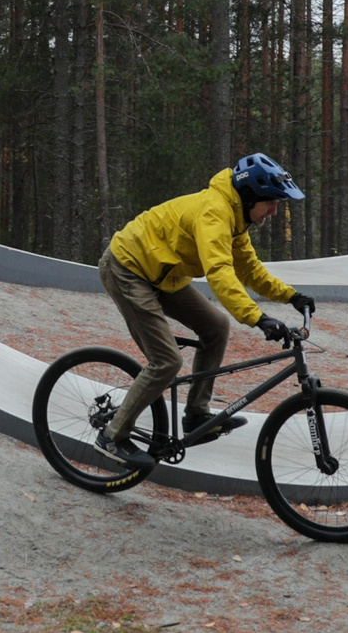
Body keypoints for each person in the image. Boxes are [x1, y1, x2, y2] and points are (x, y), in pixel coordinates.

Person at [91, 154, 313, 470]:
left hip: (163, 274)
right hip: (127, 268)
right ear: (250, 197)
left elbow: (248, 269)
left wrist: (292, 296)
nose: (276, 211)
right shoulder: (215, 213)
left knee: (216, 326)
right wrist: (258, 318)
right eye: (272, 203)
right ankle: (112, 436)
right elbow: (220, 273)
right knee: (167, 361)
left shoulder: (237, 220)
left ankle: (196, 415)